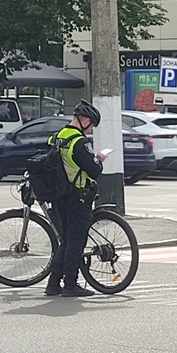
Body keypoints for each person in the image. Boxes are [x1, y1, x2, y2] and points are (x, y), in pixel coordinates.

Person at [44, 100, 107, 297]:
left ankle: (53, 283)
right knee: (75, 243)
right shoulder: (79, 142)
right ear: (85, 120)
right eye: (91, 126)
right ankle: (70, 284)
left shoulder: (56, 137)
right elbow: (94, 170)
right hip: (78, 197)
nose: (90, 130)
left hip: (59, 195)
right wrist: (98, 159)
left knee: (66, 241)